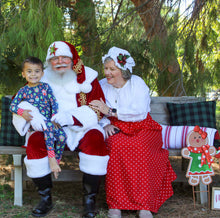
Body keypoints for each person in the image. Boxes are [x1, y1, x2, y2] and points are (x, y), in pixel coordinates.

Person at [12, 41, 109, 218]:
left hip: (81, 127)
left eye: (64, 57)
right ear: (49, 62)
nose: (60, 61)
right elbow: (21, 101)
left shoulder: (88, 78)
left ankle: (89, 201)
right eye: (55, 58)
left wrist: (71, 117)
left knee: (95, 140)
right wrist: (32, 115)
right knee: (34, 142)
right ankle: (45, 198)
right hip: (50, 128)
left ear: (72, 60)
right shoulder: (40, 77)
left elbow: (98, 109)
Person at [89, 47, 177, 218]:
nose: (107, 72)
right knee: (115, 145)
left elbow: (140, 112)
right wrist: (105, 123)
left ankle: (144, 205)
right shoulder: (101, 85)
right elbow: (94, 108)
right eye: (106, 68)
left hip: (143, 125)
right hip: (116, 126)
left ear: (123, 70)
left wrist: (110, 110)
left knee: (142, 148)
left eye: (112, 69)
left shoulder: (137, 83)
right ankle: (116, 205)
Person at [10, 57, 67, 179]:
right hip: (36, 123)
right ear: (23, 74)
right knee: (47, 127)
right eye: (29, 71)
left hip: (49, 122)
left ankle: (56, 160)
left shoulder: (46, 87)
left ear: (42, 73)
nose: (33, 74)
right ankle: (52, 159)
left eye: (36, 71)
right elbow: (12, 106)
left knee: (62, 137)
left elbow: (54, 104)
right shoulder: (23, 90)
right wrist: (22, 112)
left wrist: (54, 118)